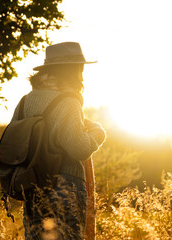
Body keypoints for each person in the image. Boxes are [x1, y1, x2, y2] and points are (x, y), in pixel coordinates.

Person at [10, 42, 106, 239]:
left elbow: (13, 148)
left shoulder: (24, 102)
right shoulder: (69, 101)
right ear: (73, 70)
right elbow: (78, 148)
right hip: (65, 187)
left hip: (32, 189)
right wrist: (97, 134)